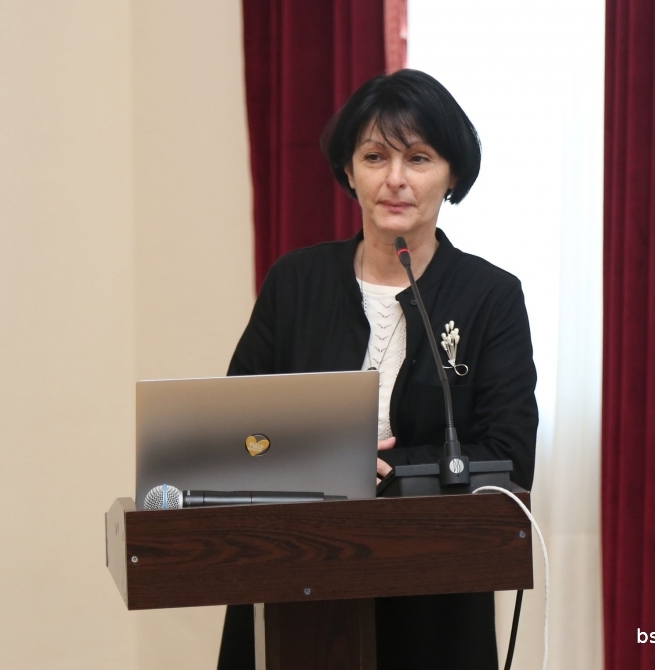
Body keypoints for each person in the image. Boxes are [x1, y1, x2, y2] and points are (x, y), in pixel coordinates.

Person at [217, 69, 538, 670]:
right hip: (295, 580)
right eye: (374, 157)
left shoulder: (490, 296)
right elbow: (235, 430)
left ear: (452, 175)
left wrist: (389, 472)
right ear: (348, 171)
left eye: (418, 158)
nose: (395, 179)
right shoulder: (297, 282)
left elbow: (510, 456)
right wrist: (330, 461)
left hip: (433, 593)